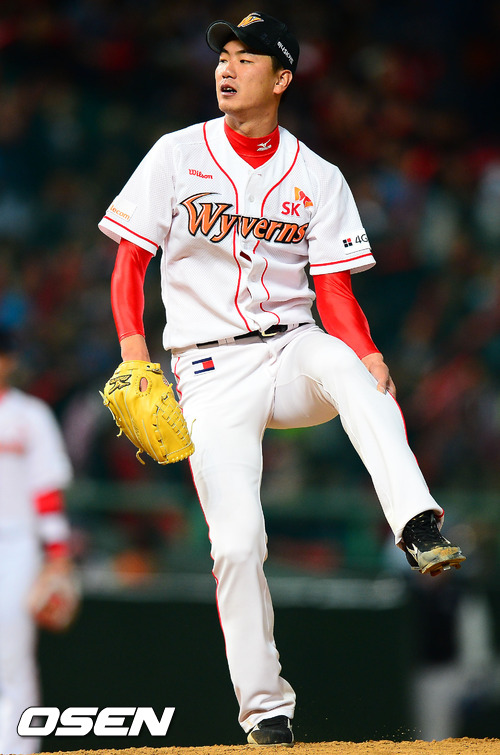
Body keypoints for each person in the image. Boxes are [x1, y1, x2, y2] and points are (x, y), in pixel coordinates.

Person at [98, 11, 465, 746]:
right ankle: (266, 711)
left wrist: (368, 353)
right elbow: (130, 261)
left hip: (292, 349)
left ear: (282, 78)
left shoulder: (318, 177)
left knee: (347, 365)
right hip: (207, 367)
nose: (227, 68)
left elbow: (334, 290)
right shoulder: (177, 154)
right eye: (223, 56)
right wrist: (135, 352)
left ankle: (416, 523)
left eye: (247, 58)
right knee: (236, 545)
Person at [0, 327, 75, 754]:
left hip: (15, 545)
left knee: (11, 652)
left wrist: (58, 555)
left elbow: (46, 491)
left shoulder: (29, 415)